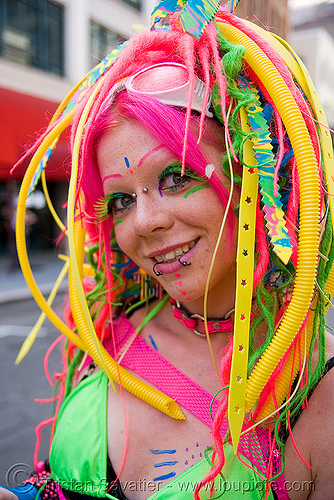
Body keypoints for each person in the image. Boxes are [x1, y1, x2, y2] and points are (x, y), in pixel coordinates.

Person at [2, 2, 334, 499]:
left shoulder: (317, 388)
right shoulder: (111, 330)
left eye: (176, 177)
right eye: (120, 200)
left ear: (260, 181)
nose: (144, 222)